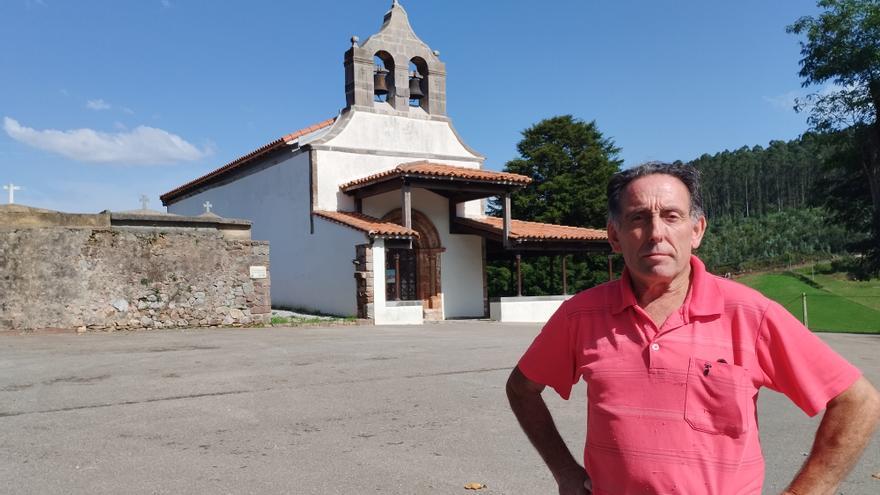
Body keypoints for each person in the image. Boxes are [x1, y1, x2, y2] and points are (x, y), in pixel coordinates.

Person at [506, 162, 880, 495]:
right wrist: (566, 473)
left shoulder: (751, 313)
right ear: (615, 236)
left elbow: (858, 401)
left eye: (671, 216)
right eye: (638, 218)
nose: (656, 232)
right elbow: (522, 389)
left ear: (696, 230)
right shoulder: (580, 316)